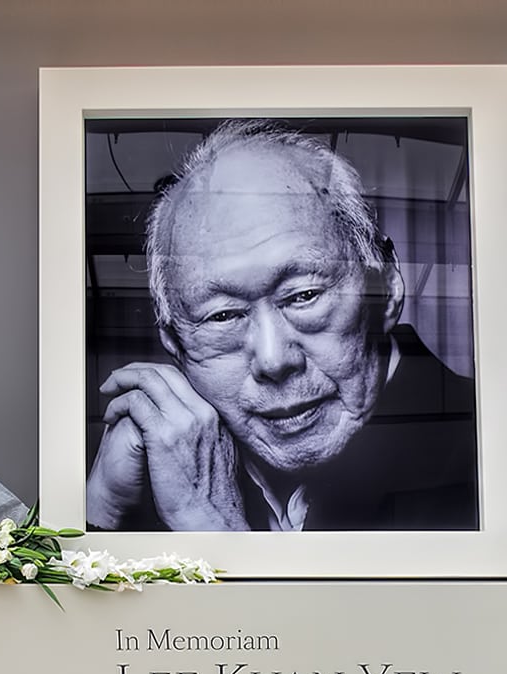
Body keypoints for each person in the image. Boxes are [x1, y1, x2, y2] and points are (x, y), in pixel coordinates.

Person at [86, 120, 478, 533]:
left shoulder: (487, 460)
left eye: (303, 295)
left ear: (387, 284)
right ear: (176, 345)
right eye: (222, 315)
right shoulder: (146, 475)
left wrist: (213, 534)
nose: (273, 360)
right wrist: (102, 509)